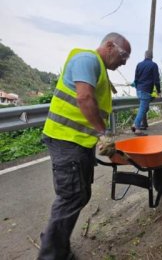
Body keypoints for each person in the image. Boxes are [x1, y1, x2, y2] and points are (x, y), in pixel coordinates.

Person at [38, 32, 131, 260]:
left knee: (80, 194)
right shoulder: (87, 60)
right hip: (66, 140)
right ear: (109, 46)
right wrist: (103, 133)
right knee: (72, 196)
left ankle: (54, 240)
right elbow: (84, 98)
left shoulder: (97, 67)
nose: (124, 62)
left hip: (78, 143)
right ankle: (51, 254)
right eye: (123, 55)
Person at [131, 50, 161, 136]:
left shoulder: (139, 64)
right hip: (146, 90)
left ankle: (135, 124)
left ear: (144, 56)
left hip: (139, 90)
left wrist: (136, 86)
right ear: (152, 56)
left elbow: (136, 79)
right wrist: (159, 92)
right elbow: (156, 80)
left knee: (145, 108)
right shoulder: (154, 65)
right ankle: (137, 128)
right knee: (143, 108)